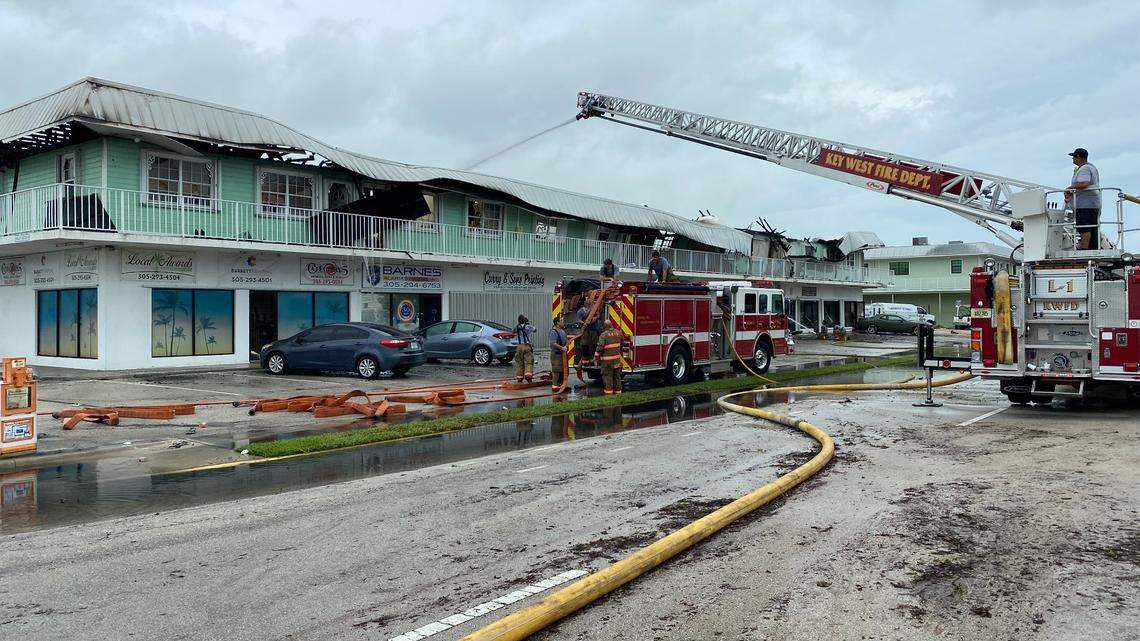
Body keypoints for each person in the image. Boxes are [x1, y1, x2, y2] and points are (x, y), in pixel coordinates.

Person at [1066, 148, 1101, 250]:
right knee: (1092, 227)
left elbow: (1084, 183)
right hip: (1092, 204)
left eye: (1073, 156)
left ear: (1078, 156)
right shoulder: (1091, 167)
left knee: (1084, 226)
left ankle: (1084, 248)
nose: (1072, 158)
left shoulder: (1084, 169)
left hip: (1085, 205)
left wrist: (1069, 188)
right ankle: (1092, 248)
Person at [597, 317, 625, 395]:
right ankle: (618, 393)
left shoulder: (603, 335)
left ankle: (609, 394)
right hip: (617, 361)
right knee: (617, 378)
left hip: (607, 363)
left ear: (605, 327)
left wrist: (596, 357)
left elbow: (600, 348)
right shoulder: (619, 333)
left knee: (607, 377)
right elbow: (622, 344)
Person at [548, 315, 569, 392]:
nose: (563, 322)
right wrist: (562, 348)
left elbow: (566, 340)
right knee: (556, 370)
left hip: (562, 354)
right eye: (561, 321)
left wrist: (567, 345)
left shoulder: (562, 331)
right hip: (556, 354)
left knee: (563, 370)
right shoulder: (553, 331)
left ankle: (561, 385)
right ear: (557, 323)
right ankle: (555, 385)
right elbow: (553, 343)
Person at [514, 314, 535, 382]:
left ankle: (519, 377)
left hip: (519, 347)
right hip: (526, 346)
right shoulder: (528, 326)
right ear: (524, 320)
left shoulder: (516, 327)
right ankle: (528, 375)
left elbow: (513, 332)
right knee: (529, 361)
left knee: (519, 362)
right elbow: (535, 330)